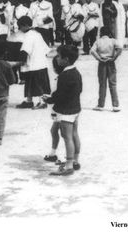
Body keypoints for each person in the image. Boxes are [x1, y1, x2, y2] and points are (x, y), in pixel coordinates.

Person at [42, 45, 82, 176]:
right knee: (74, 135)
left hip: (66, 111)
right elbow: (78, 90)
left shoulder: (64, 75)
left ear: (65, 59)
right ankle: (75, 160)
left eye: (58, 56)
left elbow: (60, 95)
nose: (57, 59)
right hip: (75, 108)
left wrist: (49, 99)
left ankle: (68, 165)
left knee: (67, 137)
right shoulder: (76, 72)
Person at [15, 16, 52, 109]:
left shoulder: (29, 36)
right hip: (41, 62)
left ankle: (42, 102)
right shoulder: (37, 34)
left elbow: (25, 50)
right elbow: (46, 49)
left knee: (38, 84)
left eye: (20, 27)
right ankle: (29, 101)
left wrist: (19, 63)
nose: (20, 29)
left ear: (25, 26)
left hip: (35, 64)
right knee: (31, 83)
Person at [90, 26, 122, 112]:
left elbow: (92, 51)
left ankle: (101, 105)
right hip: (111, 63)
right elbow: (120, 48)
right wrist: (114, 57)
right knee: (113, 84)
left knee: (102, 84)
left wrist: (99, 58)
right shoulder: (113, 41)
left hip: (102, 63)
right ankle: (115, 105)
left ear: (101, 33)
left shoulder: (98, 41)